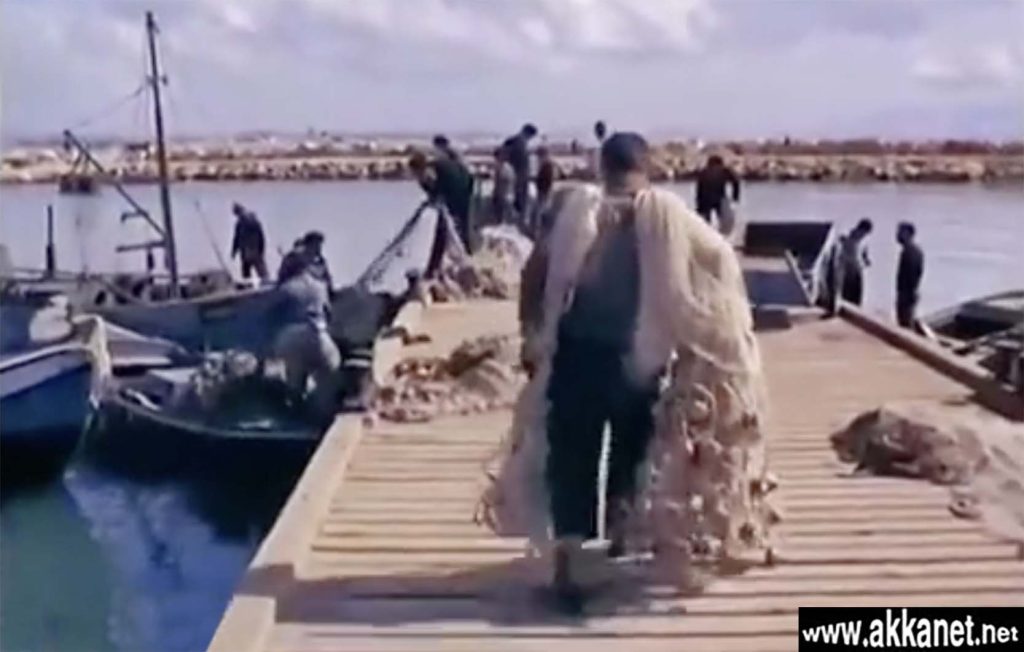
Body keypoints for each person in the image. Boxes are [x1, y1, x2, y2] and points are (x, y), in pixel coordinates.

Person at [484, 133, 773, 612]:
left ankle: (571, 559)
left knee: (572, 457)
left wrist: (531, 335)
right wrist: (710, 340)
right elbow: (720, 258)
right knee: (631, 455)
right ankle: (620, 545)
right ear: (648, 167)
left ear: (603, 167)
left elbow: (534, 274)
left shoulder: (575, 211)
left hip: (575, 357)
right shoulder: (670, 217)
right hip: (638, 362)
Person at [273, 254, 341, 418]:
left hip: (291, 336)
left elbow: (273, 315)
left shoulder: (285, 288)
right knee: (330, 369)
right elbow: (329, 313)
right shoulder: (320, 286)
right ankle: (324, 411)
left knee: (295, 378)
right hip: (318, 334)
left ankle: (295, 410)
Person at [409, 151, 474, 275]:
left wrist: (437, 197)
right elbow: (432, 192)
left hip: (461, 191)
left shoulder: (434, 170)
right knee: (444, 230)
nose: (415, 176)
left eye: (415, 172)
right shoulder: (427, 175)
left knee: (455, 226)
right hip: (456, 192)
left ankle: (463, 257)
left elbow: (439, 188)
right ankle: (436, 265)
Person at [694, 154, 741, 235]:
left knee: (705, 223)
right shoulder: (724, 170)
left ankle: (706, 237)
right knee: (725, 221)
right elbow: (736, 181)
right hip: (720, 197)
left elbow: (699, 190)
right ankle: (722, 236)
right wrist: (735, 196)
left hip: (705, 199)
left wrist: (699, 205)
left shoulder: (703, 172)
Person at [502, 123, 539, 222]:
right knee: (519, 202)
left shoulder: (517, 141)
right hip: (519, 177)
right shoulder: (520, 143)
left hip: (518, 177)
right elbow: (520, 163)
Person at [837, 218, 873, 306]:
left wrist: (866, 260)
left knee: (857, 296)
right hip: (847, 270)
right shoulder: (848, 238)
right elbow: (840, 252)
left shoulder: (864, 241)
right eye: (864, 232)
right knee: (847, 294)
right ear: (860, 229)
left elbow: (864, 254)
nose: (864, 235)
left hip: (858, 269)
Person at [895, 221, 924, 329]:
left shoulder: (909, 252)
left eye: (900, 232)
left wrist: (908, 293)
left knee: (905, 323)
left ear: (908, 233)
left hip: (906, 294)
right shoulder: (916, 251)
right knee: (907, 321)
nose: (897, 235)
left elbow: (912, 274)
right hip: (910, 293)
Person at [230, 203, 268, 282]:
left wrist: (261, 250)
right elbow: (236, 239)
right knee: (246, 274)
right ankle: (249, 285)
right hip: (246, 253)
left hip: (254, 251)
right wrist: (234, 252)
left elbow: (261, 237)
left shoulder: (253, 221)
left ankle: (266, 282)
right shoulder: (239, 224)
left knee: (262, 272)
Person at [532, 147, 557, 235]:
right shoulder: (546, 165)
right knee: (542, 211)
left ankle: (540, 231)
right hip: (543, 191)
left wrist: (543, 189)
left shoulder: (547, 165)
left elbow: (546, 180)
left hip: (544, 192)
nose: (538, 158)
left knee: (541, 211)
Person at [491, 146, 515, 225]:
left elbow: (507, 180)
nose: (496, 160)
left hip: (505, 195)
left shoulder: (506, 168)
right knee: (500, 216)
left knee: (503, 217)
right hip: (503, 195)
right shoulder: (502, 167)